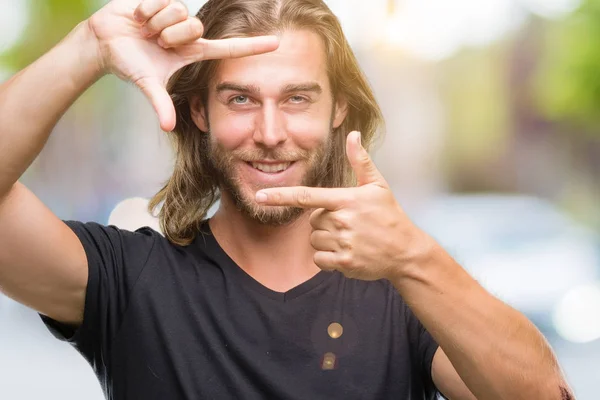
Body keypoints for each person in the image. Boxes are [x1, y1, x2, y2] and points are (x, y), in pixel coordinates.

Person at [0, 0, 574, 399]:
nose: (270, 132)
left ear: (337, 110)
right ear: (200, 112)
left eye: (297, 98)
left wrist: (414, 259)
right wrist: (89, 47)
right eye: (241, 99)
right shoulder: (129, 277)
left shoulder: (407, 294)